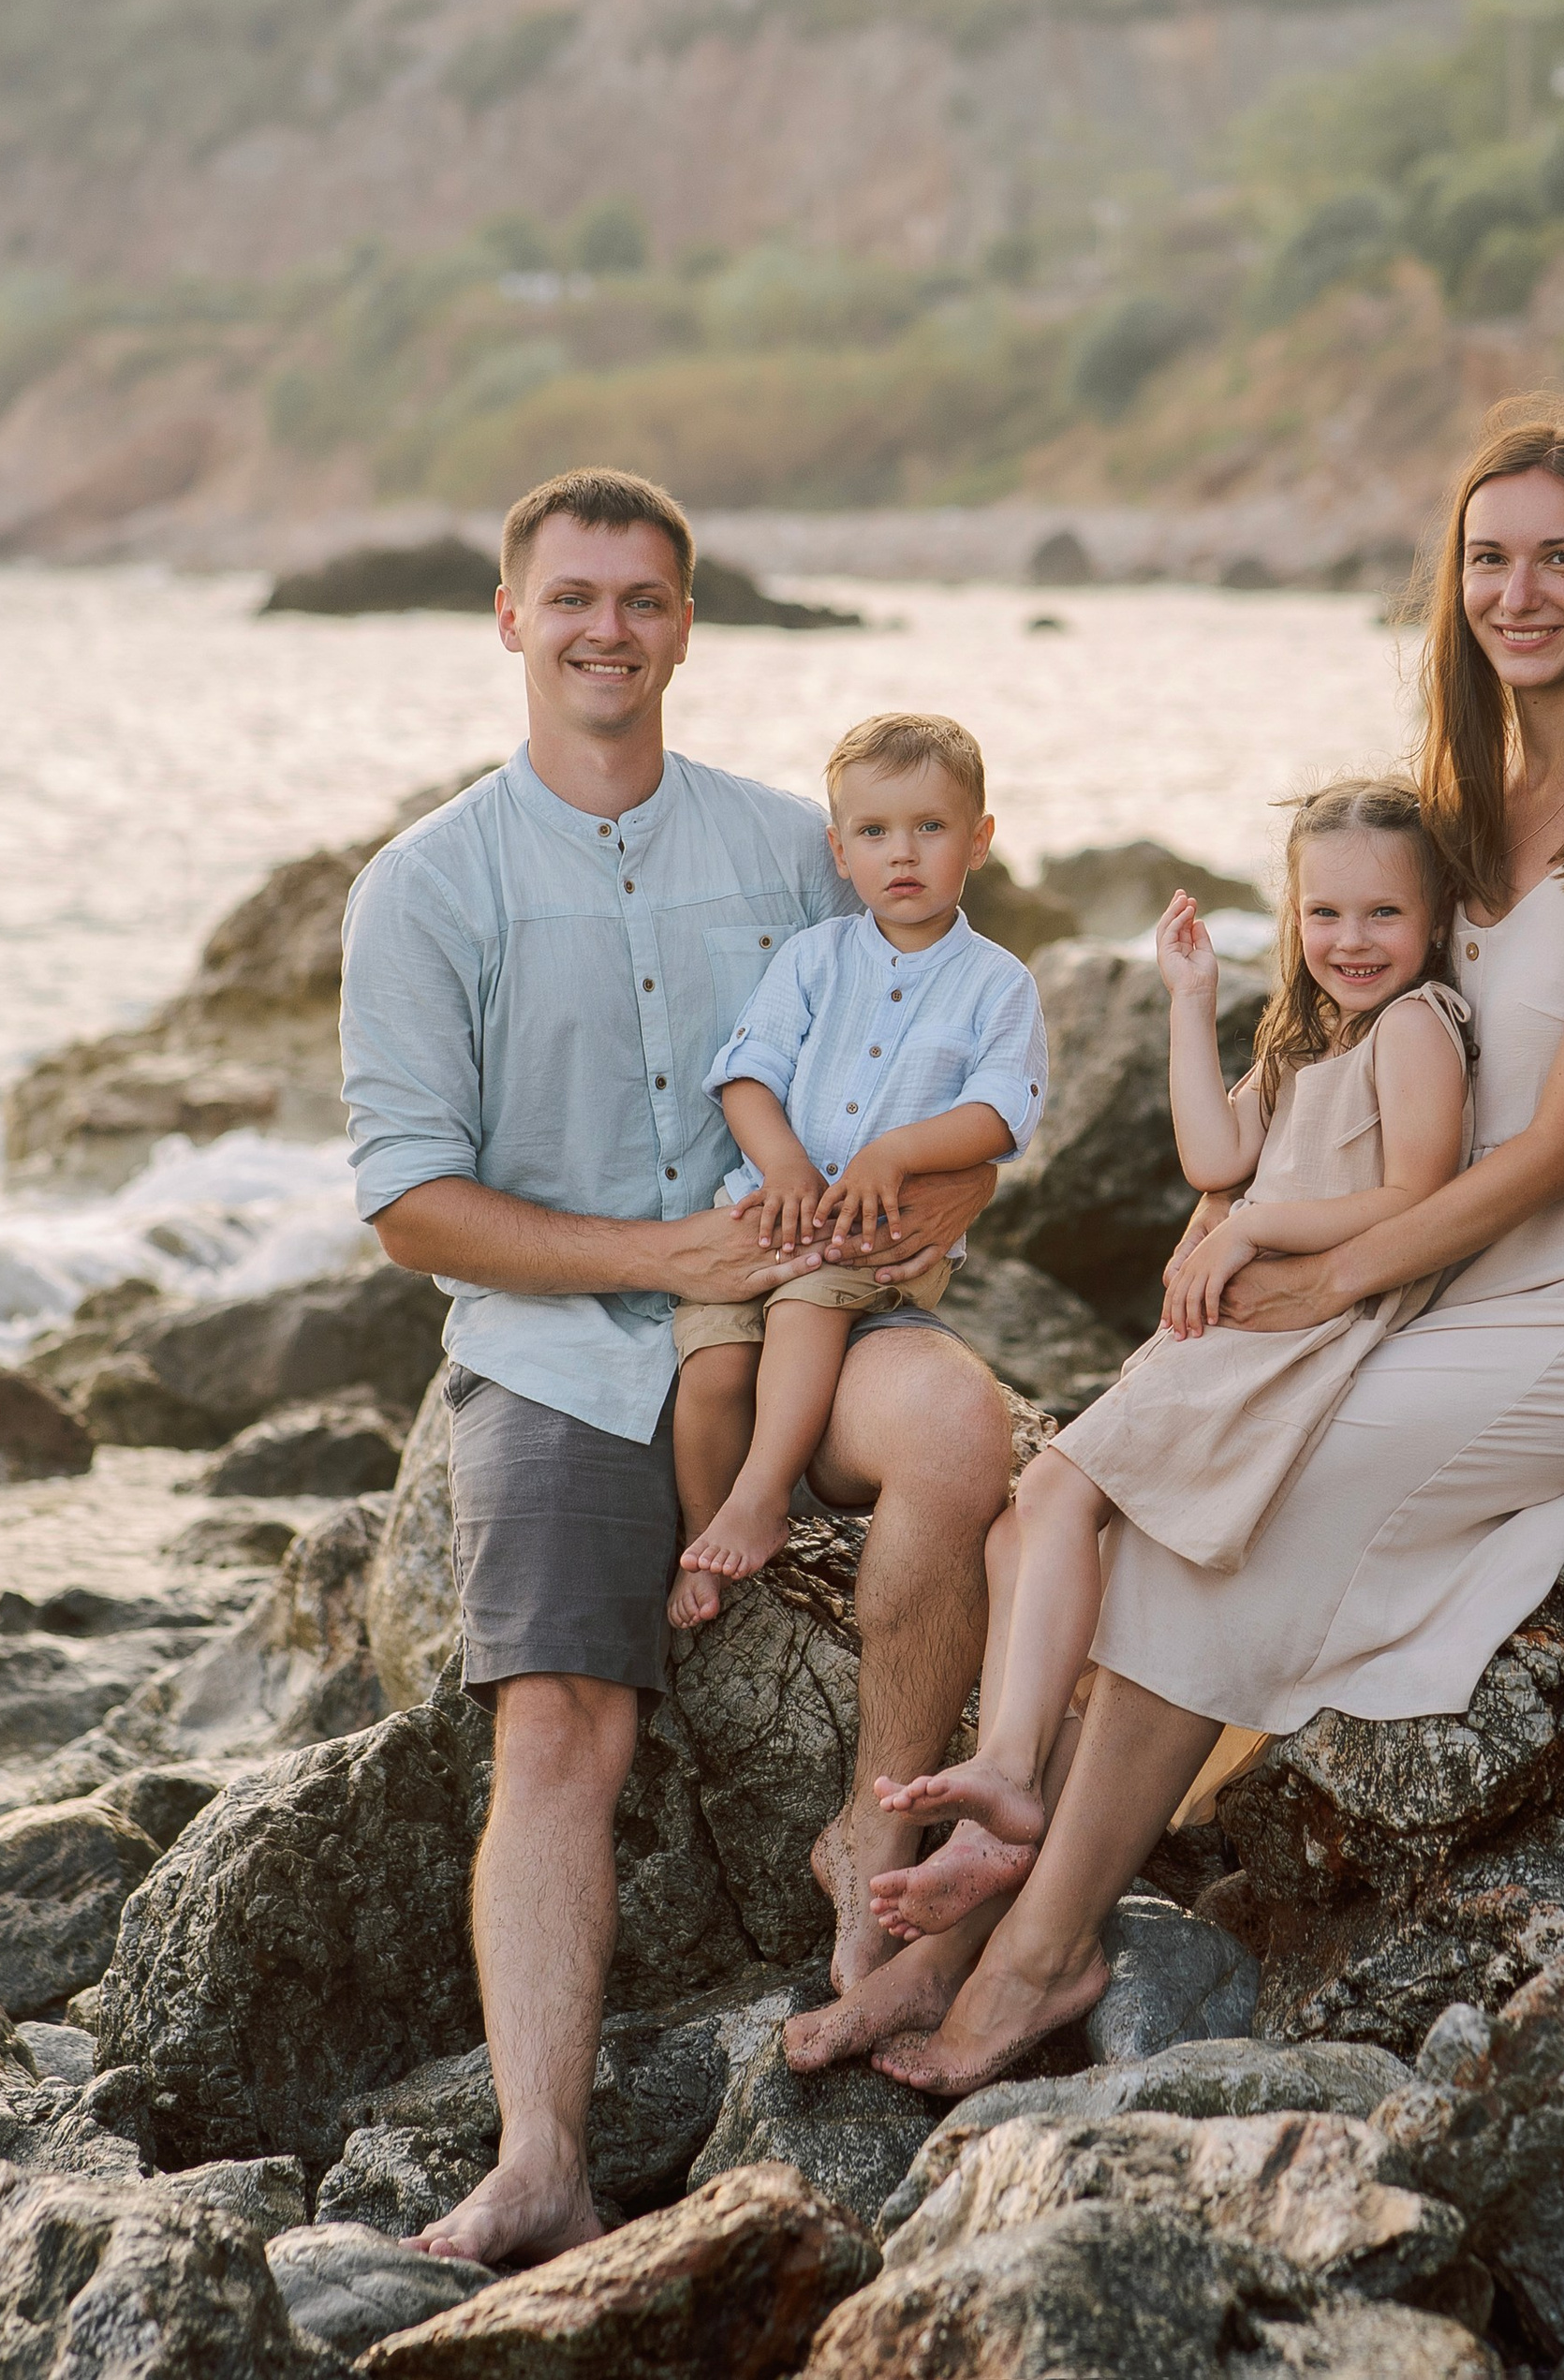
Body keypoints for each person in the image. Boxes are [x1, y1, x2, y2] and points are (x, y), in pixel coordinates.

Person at [789, 396, 1564, 2092]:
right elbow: (1343, 1045)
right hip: (1439, 1260)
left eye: (1561, 561)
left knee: (1233, 1518)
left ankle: (1030, 1955)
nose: (1519, 595)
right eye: (1489, 560)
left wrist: (1327, 1272)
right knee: (1132, 1481)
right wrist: (1241, 1217)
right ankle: (962, 1926)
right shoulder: (1462, 798)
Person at [339, 466, 1013, 2260]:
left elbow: (929, 1048)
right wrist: (661, 1258)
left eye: (642, 599)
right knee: (559, 1718)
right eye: (572, 598)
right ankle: (542, 2156)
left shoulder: (801, 850)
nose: (606, 630)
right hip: (558, 1351)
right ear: (509, 617)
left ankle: (874, 1849)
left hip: (802, 1309)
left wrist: (929, 1221)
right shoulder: (425, 886)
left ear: (688, 624)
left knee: (964, 1425)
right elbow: (409, 1203)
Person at [872, 777, 1469, 1880]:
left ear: (1436, 920)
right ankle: (1005, 1804)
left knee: (1051, 1491)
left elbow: (1419, 1195)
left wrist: (1253, 1230)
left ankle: (1003, 1774)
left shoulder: (1417, 1028)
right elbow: (1210, 1157)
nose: (1351, 939)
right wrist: (1189, 999)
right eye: (1324, 913)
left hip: (1296, 1333)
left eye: (1385, 913)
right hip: (1232, 1332)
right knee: (1020, 1533)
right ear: (1292, 917)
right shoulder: (1311, 1036)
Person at [670, 713, 1047, 1618]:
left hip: (877, 1242)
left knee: (803, 1306)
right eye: (875, 833)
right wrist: (787, 1166)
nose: (902, 853)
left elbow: (1002, 1112)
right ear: (840, 852)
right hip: (769, 1211)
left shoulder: (998, 984)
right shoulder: (812, 959)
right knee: (713, 1365)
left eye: (931, 827)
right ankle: (702, 1535)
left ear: (980, 841)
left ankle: (762, 1501)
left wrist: (897, 1151)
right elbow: (746, 1077)